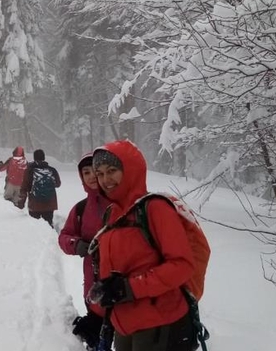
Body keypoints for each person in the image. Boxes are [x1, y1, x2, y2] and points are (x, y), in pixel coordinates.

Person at [88, 141, 198, 351]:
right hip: (124, 324)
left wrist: (129, 288)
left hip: (159, 324)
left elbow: (182, 265)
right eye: (100, 173)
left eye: (112, 171)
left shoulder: (155, 208)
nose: (105, 180)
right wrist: (107, 288)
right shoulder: (112, 213)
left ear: (130, 170)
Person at [58, 153, 111, 350]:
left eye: (94, 171)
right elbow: (64, 236)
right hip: (92, 282)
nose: (90, 176)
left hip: (120, 284)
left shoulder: (121, 203)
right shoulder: (81, 208)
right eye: (85, 172)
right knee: (97, 334)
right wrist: (76, 244)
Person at [19, 149, 60, 227]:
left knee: (36, 228)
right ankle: (52, 238)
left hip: (35, 204)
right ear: (44, 157)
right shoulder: (51, 170)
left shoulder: (30, 170)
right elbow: (58, 184)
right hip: (50, 204)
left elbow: (24, 187)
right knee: (48, 224)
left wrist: (21, 203)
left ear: (34, 158)